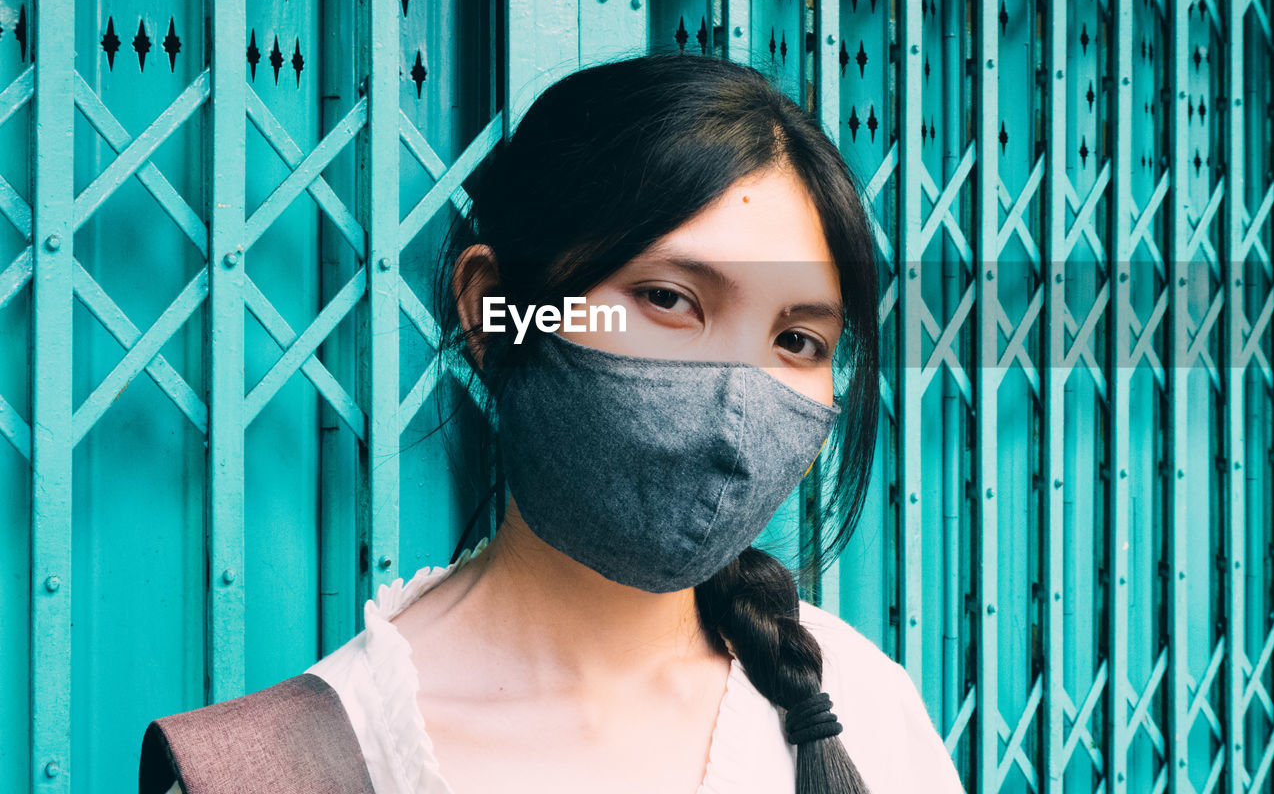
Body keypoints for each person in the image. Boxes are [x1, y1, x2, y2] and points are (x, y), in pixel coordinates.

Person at [141, 52, 965, 794]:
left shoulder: (867, 709)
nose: (736, 399)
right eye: (669, 300)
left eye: (796, 340)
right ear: (490, 312)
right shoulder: (277, 768)